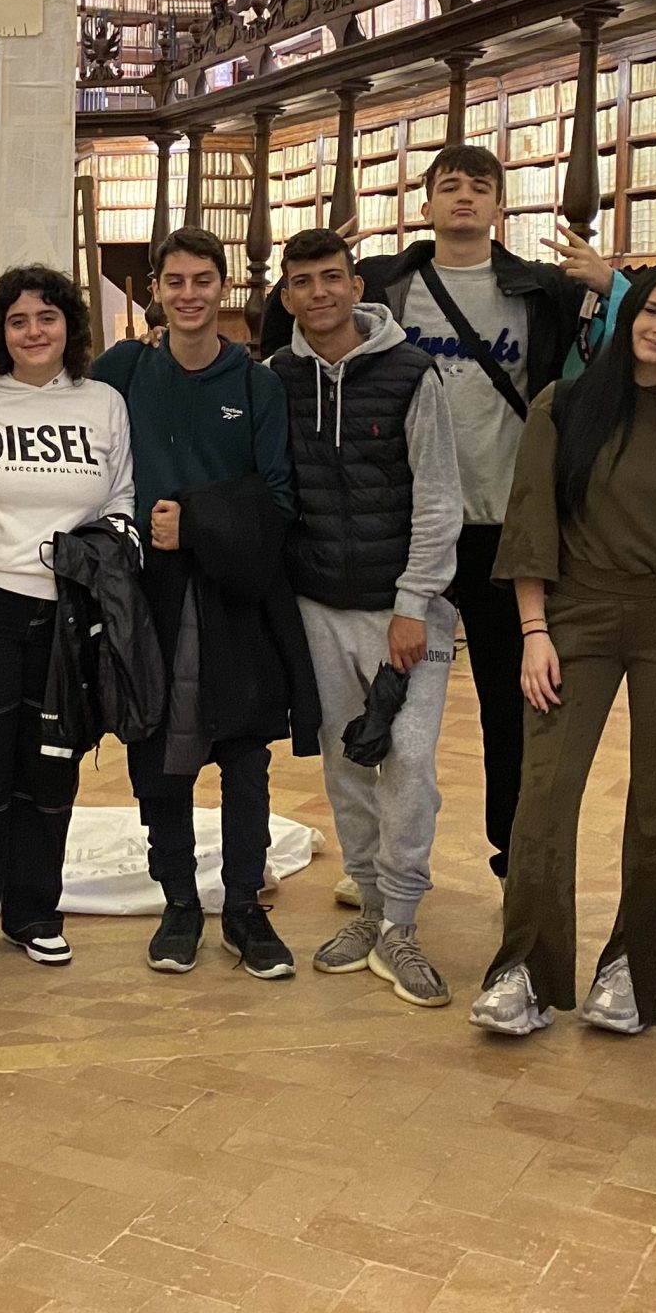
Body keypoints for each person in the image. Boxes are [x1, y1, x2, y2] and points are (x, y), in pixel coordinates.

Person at [262, 143, 620, 880]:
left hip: (499, 527)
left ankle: (511, 860)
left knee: (511, 705)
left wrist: (612, 286)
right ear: (424, 205)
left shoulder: (539, 290)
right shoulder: (388, 284)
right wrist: (313, 273)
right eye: (448, 187)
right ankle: (378, 868)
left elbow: (609, 364)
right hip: (403, 530)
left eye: (478, 188)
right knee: (382, 711)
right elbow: (291, 345)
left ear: (498, 207)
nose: (463, 199)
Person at [470, 262, 656, 1037]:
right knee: (544, 794)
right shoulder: (567, 403)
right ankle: (525, 971)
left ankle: (634, 971)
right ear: (627, 312)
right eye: (652, 312)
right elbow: (530, 521)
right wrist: (534, 631)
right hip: (573, 613)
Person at [94, 227, 315, 979]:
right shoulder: (124, 369)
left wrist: (196, 521)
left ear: (225, 289)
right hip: (148, 594)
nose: (188, 295)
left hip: (234, 592)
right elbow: (52, 394)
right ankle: (181, 903)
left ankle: (245, 910)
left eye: (202, 280)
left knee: (245, 754)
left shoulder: (255, 384)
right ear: (154, 289)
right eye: (174, 281)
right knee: (157, 753)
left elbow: (279, 496)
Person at [268, 226, 464, 1005]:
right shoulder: (274, 377)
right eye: (303, 282)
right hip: (318, 604)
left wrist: (414, 604)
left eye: (332, 277)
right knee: (348, 760)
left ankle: (404, 922)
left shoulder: (411, 373)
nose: (319, 292)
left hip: (404, 610)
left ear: (357, 286)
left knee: (408, 758)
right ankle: (371, 906)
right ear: (285, 296)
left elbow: (438, 494)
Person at [0, 264, 132, 973]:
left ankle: (33, 912)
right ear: (0, 333)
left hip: (68, 613)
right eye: (17, 321)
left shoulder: (105, 402)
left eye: (46, 318)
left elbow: (122, 498)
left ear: (68, 327)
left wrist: (108, 554)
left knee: (49, 768)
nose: (33, 331)